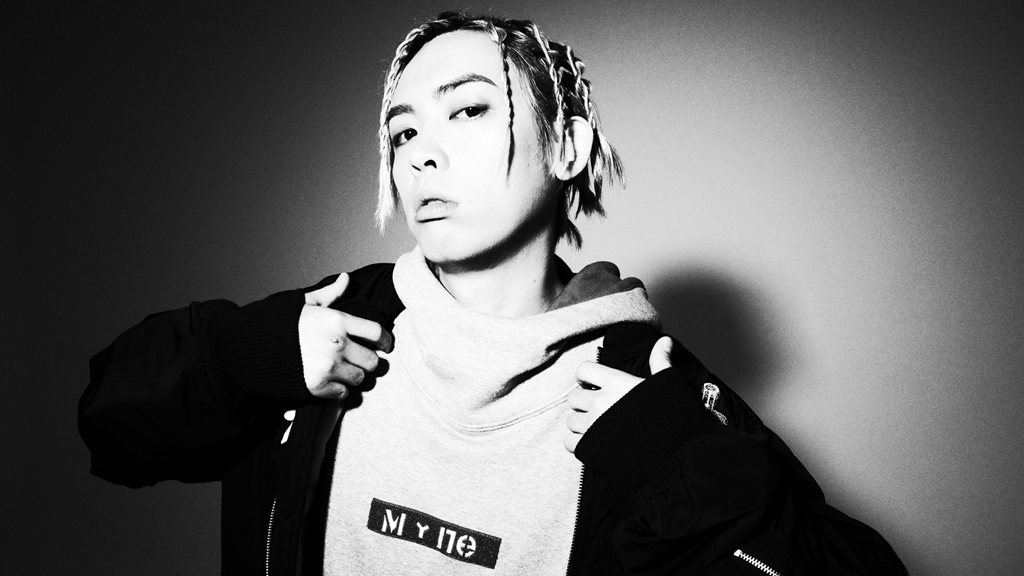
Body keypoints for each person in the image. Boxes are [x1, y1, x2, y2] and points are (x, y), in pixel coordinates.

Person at [78, 11, 906, 576]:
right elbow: (108, 429)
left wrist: (678, 470)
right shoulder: (331, 322)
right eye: (404, 130)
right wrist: (245, 358)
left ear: (568, 148)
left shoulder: (653, 396)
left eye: (469, 110)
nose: (421, 154)